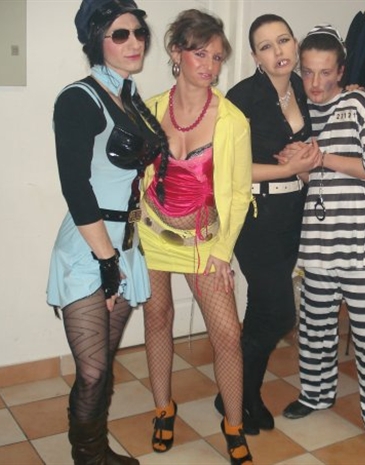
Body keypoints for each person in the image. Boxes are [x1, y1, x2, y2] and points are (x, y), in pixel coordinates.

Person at [280, 25, 365, 465]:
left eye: (325, 72)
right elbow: (310, 177)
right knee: (315, 329)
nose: (315, 82)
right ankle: (315, 395)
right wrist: (299, 165)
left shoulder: (360, 104)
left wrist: (321, 157)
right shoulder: (302, 112)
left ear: (341, 71)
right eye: (308, 72)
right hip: (318, 241)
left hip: (364, 247)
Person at [46, 1, 162, 463]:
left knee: (101, 364)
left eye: (139, 33)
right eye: (120, 34)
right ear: (97, 40)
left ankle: (95, 449)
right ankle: (87, 455)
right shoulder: (79, 99)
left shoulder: (129, 96)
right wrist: (107, 262)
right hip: (90, 245)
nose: (134, 43)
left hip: (126, 245)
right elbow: (76, 189)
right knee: (93, 370)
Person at [138, 9, 253, 465]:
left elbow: (239, 195)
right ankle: (163, 409)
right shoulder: (150, 110)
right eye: (200, 53)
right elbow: (137, 175)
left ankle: (234, 424)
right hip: (151, 234)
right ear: (176, 53)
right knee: (157, 318)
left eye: (217, 57)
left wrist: (223, 252)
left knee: (227, 334)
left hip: (204, 242)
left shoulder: (232, 120)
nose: (209, 65)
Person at [214, 14, 320, 434]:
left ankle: (235, 393)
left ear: (296, 43)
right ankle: (242, 394)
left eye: (284, 40)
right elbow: (228, 168)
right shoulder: (242, 98)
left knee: (261, 309)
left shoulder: (304, 89)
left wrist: (305, 163)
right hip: (256, 215)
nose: (278, 51)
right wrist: (287, 168)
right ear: (255, 56)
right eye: (266, 46)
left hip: (294, 211)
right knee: (278, 314)